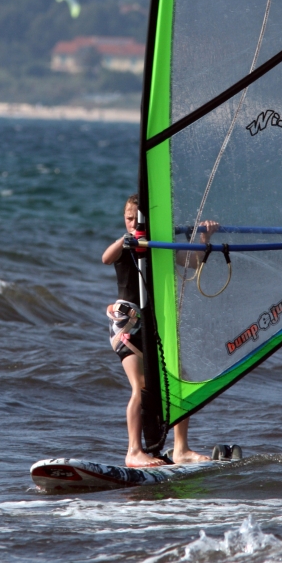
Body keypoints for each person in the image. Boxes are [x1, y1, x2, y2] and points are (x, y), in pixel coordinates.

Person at [102, 193, 215, 468]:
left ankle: (181, 449)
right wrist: (127, 239)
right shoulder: (125, 245)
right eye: (128, 218)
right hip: (127, 323)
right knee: (140, 386)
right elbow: (106, 258)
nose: (132, 223)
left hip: (154, 325)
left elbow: (193, 262)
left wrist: (205, 239)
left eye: (137, 219)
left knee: (180, 379)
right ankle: (133, 451)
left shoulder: (159, 245)